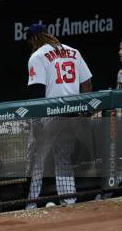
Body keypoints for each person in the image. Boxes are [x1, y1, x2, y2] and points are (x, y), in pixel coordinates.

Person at [24, 23, 92, 208]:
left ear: (33, 39)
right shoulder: (73, 51)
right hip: (71, 114)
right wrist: (85, 111)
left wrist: (37, 123)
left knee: (36, 161)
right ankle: (69, 201)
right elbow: (86, 84)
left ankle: (30, 205)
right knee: (63, 159)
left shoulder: (37, 56)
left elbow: (37, 92)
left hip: (49, 115)